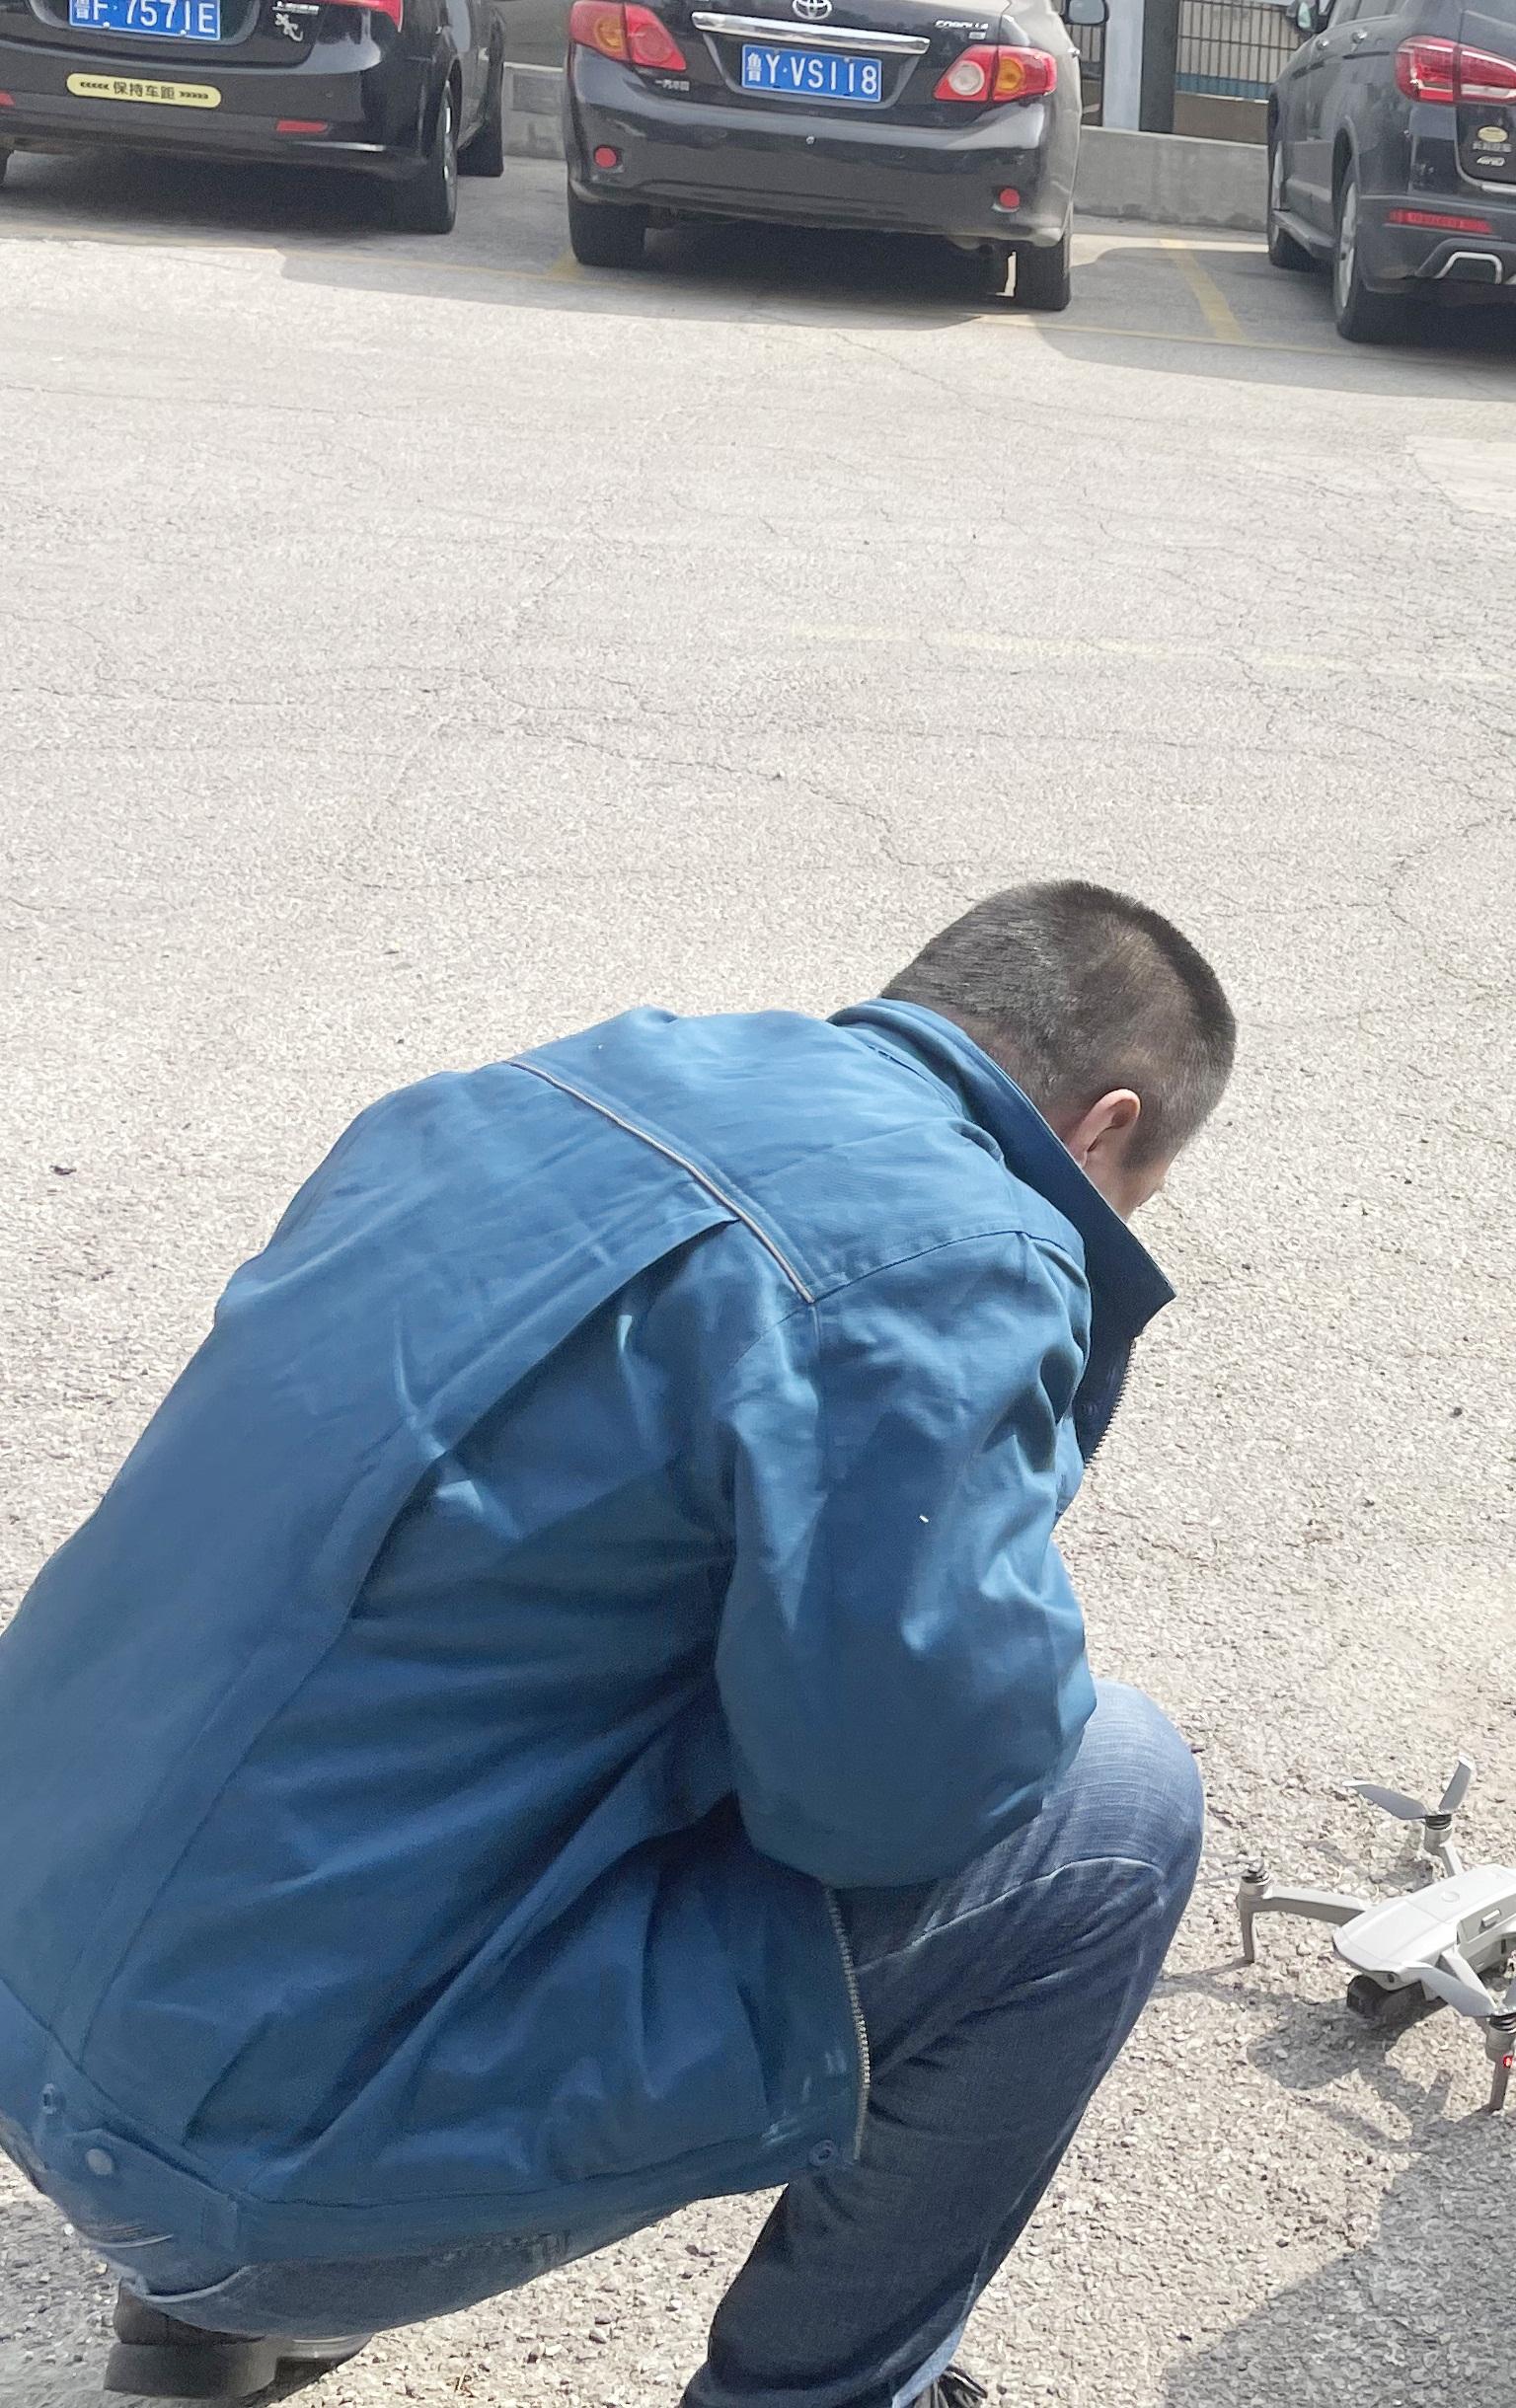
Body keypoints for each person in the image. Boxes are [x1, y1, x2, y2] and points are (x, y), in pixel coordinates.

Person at [0, 881, 1233, 2408]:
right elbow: (894, 1806)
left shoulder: (537, 1088)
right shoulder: (956, 1255)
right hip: (244, 2169)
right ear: (1107, 1129)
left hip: (30, 1979)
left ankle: (201, 2303)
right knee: (1116, 1809)